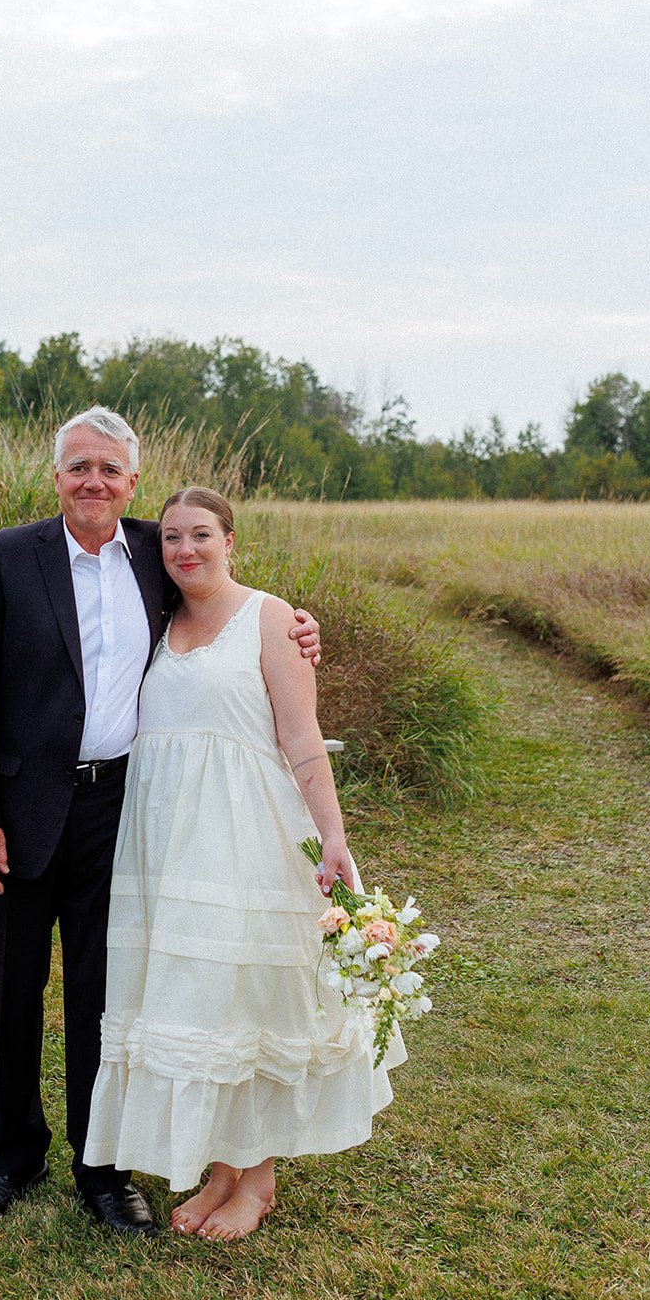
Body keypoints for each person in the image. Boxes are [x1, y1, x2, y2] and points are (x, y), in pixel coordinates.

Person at [0, 410, 321, 1236]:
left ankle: (100, 1168)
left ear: (131, 482)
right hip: (17, 810)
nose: (93, 482)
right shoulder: (4, 558)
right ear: (55, 476)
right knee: (11, 988)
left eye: (109, 470)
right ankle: (9, 1158)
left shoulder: (157, 549)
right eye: (78, 467)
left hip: (123, 810)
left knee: (105, 993)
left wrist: (299, 628)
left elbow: (230, 602)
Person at [84, 486, 407, 1239]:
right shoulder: (158, 619)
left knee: (249, 995)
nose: (184, 550)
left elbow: (301, 738)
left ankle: (256, 1182)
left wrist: (332, 837)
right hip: (166, 840)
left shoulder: (271, 618)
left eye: (200, 534)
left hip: (247, 832)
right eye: (169, 538)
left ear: (230, 540)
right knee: (199, 997)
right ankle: (223, 1169)